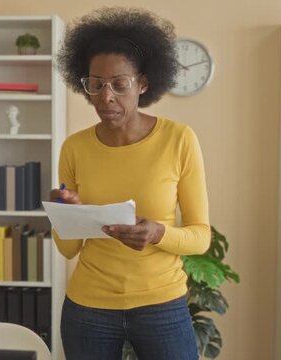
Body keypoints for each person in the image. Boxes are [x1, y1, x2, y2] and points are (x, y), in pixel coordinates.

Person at [51, 6, 210, 360]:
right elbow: (67, 250)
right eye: (95, 85)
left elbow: (201, 237)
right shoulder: (74, 147)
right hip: (88, 309)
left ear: (143, 83)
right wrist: (66, 215)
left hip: (161, 306)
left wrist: (158, 234)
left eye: (119, 85)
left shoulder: (178, 139)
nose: (105, 97)